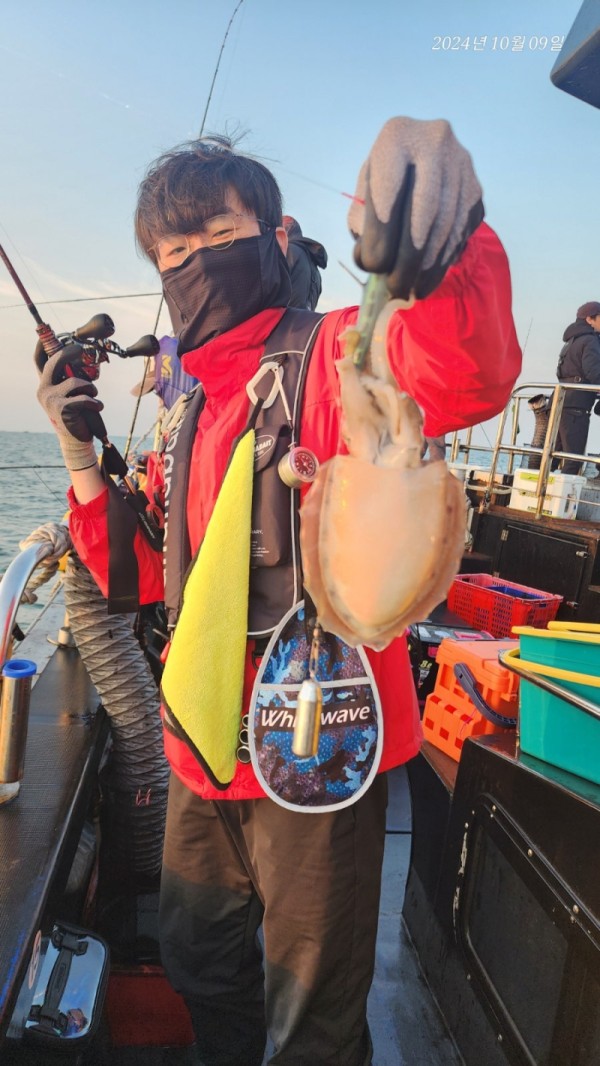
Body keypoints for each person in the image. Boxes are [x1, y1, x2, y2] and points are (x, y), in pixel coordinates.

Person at [36, 118, 521, 1066]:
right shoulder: (188, 408)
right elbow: (141, 580)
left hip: (321, 746)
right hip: (200, 746)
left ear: (278, 235)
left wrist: (448, 237)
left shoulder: (336, 355)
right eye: (172, 252)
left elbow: (462, 371)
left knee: (314, 1017)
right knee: (200, 962)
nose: (195, 261)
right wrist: (80, 459)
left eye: (220, 234)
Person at [556, 301, 600, 474]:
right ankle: (563, 493)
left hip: (560, 402)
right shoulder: (590, 340)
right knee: (574, 460)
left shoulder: (572, 341)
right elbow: (594, 372)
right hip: (576, 407)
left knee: (551, 457)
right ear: (590, 319)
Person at [282, 214, 327, 310]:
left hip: (280, 317)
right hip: (304, 319)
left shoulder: (287, 251)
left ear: (285, 231)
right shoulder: (316, 272)